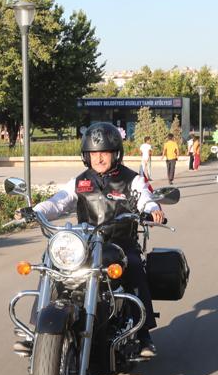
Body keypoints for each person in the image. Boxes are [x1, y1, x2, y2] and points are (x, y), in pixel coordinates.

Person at [14, 122, 166, 358]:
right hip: (86, 245)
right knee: (51, 266)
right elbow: (58, 202)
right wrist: (36, 211)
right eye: (93, 154)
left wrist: (152, 209)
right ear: (86, 156)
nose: (99, 158)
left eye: (104, 153)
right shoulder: (80, 182)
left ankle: (143, 334)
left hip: (120, 245)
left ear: (116, 154)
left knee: (135, 267)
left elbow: (145, 198)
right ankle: (37, 333)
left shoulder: (132, 180)